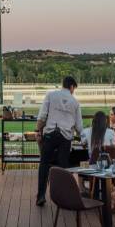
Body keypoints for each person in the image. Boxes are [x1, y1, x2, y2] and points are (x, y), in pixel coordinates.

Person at [35, 76, 83, 207]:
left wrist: (37, 130)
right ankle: (63, 197)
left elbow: (42, 115)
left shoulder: (51, 95)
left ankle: (40, 196)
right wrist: (83, 138)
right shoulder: (75, 102)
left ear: (63, 84)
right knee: (63, 167)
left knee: (44, 164)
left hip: (50, 133)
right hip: (65, 137)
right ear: (72, 87)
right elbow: (79, 126)